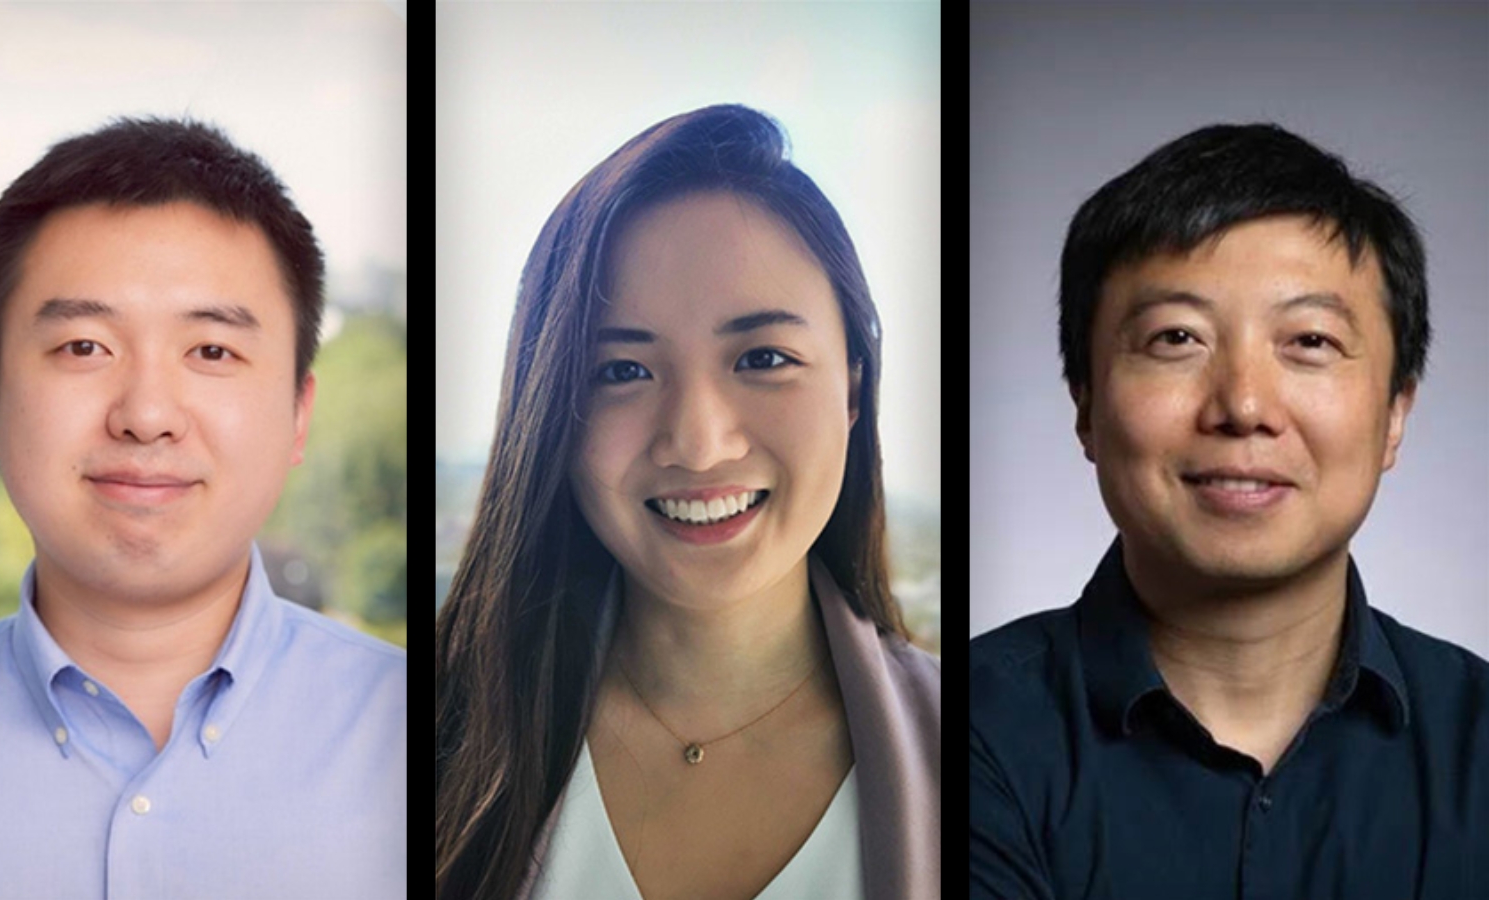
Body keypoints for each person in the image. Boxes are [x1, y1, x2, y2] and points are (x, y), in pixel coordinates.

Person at [0, 117, 406, 899]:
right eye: (84, 347)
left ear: (299, 414)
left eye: (211, 351)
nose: (146, 413)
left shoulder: (433, 744)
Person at [970, 122, 1489, 899]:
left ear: (1394, 417)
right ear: (1085, 407)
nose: (1244, 405)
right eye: (1176, 338)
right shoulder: (964, 732)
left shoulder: (1478, 747)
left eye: (1310, 341)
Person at [435, 104, 941, 900]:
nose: (699, 444)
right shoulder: (421, 738)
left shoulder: (991, 756)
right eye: (622, 371)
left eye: (764, 357)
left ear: (852, 385)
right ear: (551, 415)